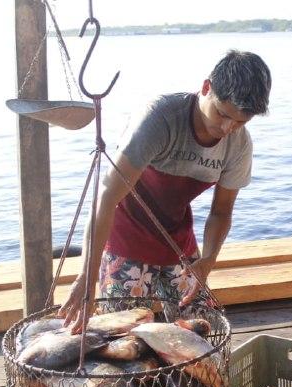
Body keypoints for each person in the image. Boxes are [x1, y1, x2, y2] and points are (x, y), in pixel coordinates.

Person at [58, 50, 271, 333]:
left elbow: (221, 212)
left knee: (202, 330)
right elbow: (107, 197)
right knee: (123, 338)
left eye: (240, 122)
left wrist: (208, 260)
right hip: (126, 238)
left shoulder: (239, 144)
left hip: (177, 241)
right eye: (222, 113)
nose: (227, 128)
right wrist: (86, 275)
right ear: (206, 88)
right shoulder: (160, 119)